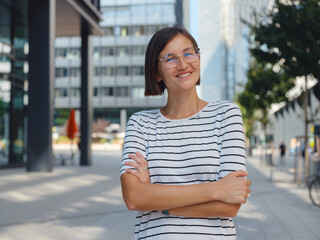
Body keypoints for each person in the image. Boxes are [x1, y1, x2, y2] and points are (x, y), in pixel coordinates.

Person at [120, 25, 251, 240]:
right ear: (156, 73)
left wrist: (161, 204)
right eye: (170, 58)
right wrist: (218, 188)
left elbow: (230, 206)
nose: (183, 64)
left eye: (188, 53)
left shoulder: (226, 114)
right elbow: (134, 197)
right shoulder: (140, 123)